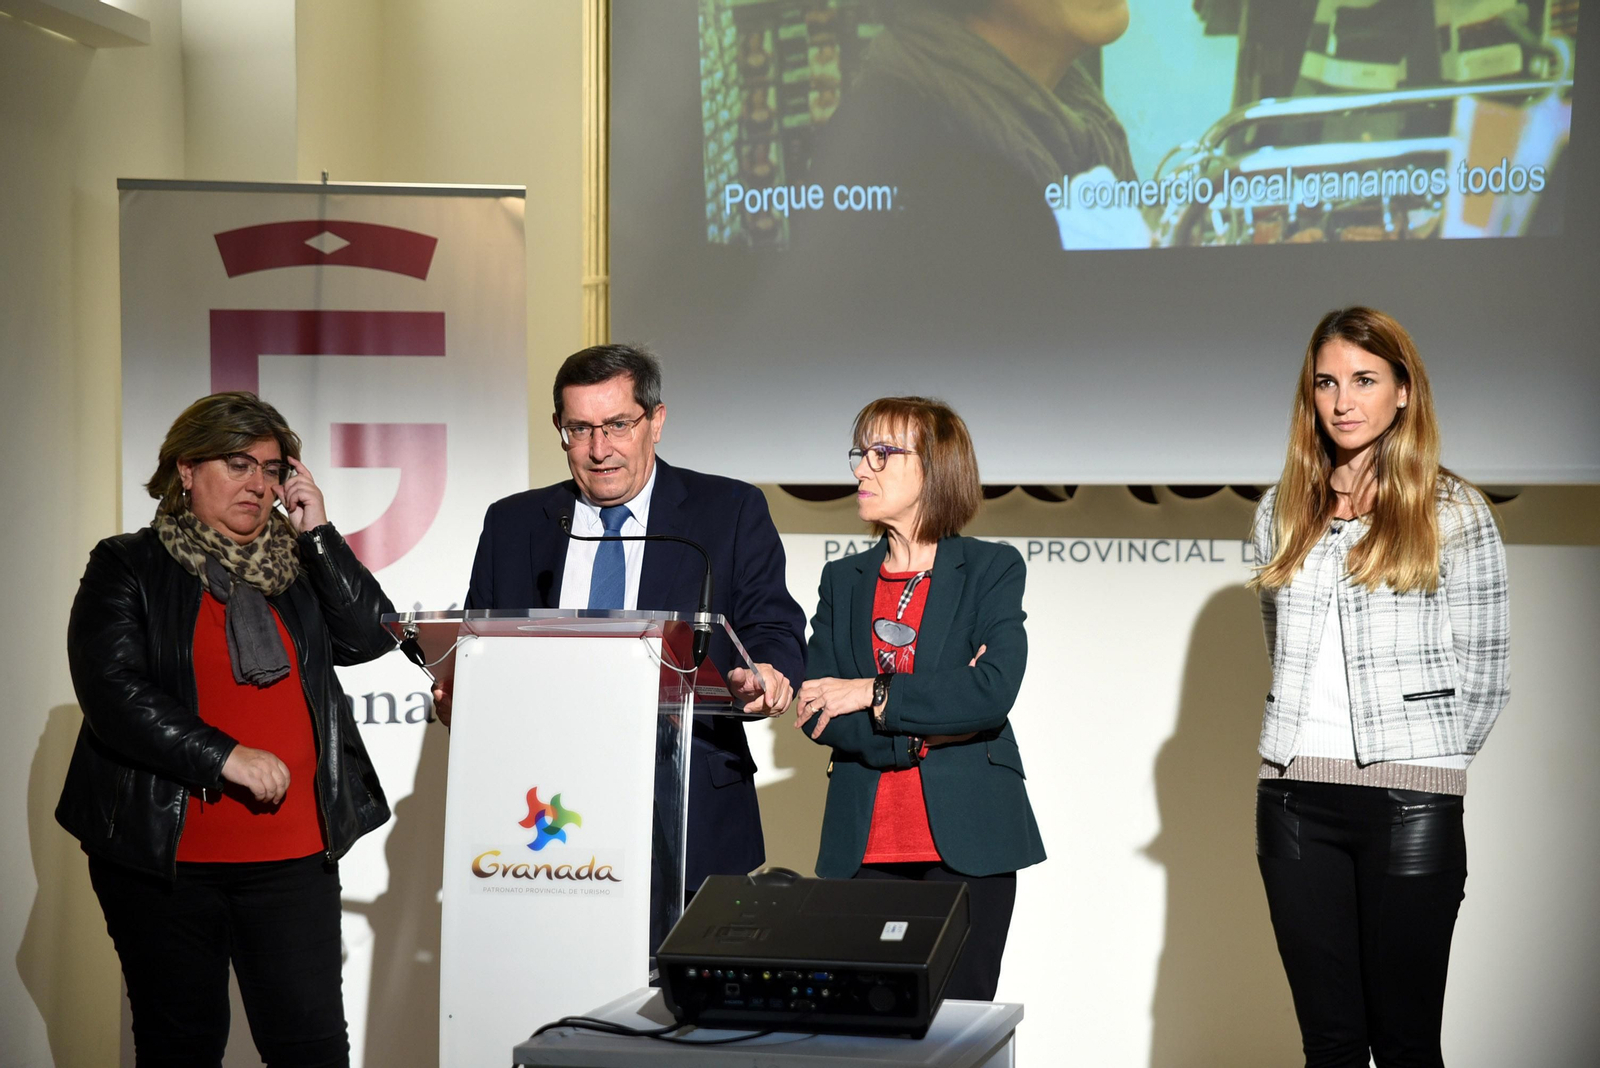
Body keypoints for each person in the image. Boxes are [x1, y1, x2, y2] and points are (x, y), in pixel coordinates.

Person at [59, 391, 397, 1067]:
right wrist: (224, 756)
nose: (257, 484)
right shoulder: (129, 564)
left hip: (294, 854)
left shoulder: (297, 565)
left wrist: (320, 532)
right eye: (237, 464)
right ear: (186, 470)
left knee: (311, 1049)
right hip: (167, 861)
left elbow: (368, 637)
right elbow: (112, 694)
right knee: (181, 1047)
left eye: (272, 469)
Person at [1248, 307, 1510, 1067]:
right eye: (1327, 382)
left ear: (1403, 392)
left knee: (1404, 1044)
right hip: (1293, 799)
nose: (1342, 401)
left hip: (1411, 805)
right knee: (1328, 1045)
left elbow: (1486, 675)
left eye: (1364, 380)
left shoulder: (1455, 511)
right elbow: (1282, 647)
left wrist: (1424, 763)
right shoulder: (1280, 511)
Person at [456, 343, 806, 893]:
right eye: (580, 429)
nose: (600, 449)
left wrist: (767, 673)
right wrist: (464, 688)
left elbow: (774, 627)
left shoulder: (729, 511)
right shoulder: (514, 524)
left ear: (656, 421)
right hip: (545, 816)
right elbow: (478, 647)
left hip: (687, 810)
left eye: (618, 424)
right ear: (559, 428)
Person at [796, 396, 1045, 1001]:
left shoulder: (991, 568)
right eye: (861, 453)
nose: (862, 469)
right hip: (864, 845)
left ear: (934, 468)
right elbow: (816, 710)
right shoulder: (843, 579)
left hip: (970, 846)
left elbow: (990, 692)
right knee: (864, 1036)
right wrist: (920, 729)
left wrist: (870, 693)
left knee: (960, 1037)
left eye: (884, 453)